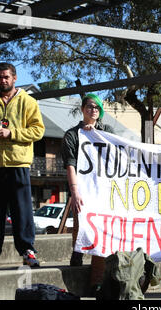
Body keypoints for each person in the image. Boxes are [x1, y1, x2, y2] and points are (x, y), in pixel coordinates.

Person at [0, 62, 45, 269]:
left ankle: (28, 252)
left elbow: (38, 131)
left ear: (14, 78)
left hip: (18, 164)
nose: (2, 80)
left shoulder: (28, 102)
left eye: (6, 77)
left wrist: (11, 133)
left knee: (22, 211)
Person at [61, 93, 114, 289]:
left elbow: (117, 154)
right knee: (81, 222)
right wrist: (75, 192)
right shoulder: (72, 135)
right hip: (82, 187)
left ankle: (96, 282)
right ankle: (77, 253)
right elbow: (70, 166)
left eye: (97, 108)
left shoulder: (107, 131)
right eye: (90, 106)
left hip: (103, 190)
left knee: (99, 229)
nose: (93, 110)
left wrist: (96, 135)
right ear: (83, 109)